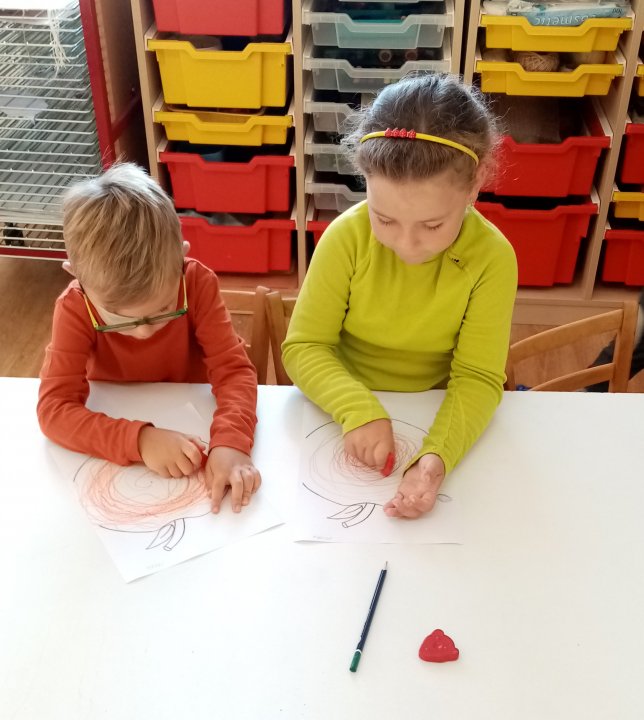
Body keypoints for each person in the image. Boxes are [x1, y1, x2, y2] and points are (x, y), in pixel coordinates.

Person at [282, 74, 518, 519]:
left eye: (432, 225)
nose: (407, 245)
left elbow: (476, 377)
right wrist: (356, 408)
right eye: (384, 219)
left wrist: (437, 457)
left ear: (475, 183)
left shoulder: (492, 259)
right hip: (338, 406)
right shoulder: (345, 239)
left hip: (436, 409)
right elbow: (305, 346)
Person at [38, 162, 260, 514]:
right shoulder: (75, 307)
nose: (142, 330)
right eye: (116, 316)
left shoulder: (197, 284)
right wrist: (139, 440)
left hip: (193, 414)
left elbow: (234, 372)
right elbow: (54, 410)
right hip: (118, 416)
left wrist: (231, 441)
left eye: (163, 309)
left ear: (181, 258)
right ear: (76, 277)